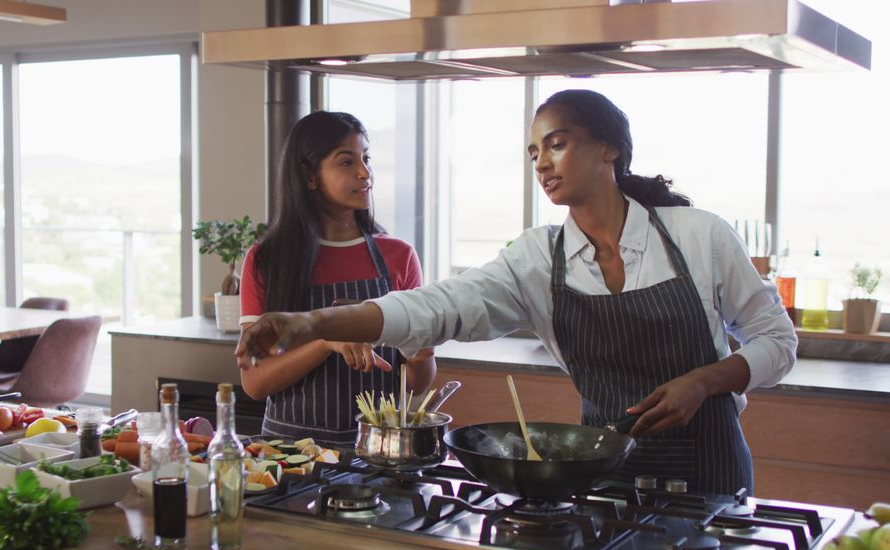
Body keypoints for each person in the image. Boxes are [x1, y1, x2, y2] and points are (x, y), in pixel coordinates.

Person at [236, 90, 797, 495]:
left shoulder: (697, 234)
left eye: (556, 144)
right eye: (534, 153)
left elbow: (777, 340)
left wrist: (706, 381)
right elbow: (437, 306)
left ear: (609, 149)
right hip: (602, 474)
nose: (543, 163)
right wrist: (313, 324)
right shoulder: (537, 257)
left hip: (711, 474)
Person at [238, 110, 436, 447]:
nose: (365, 173)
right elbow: (254, 383)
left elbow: (418, 382)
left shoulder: (398, 256)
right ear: (309, 176)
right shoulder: (267, 260)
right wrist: (326, 339)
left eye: (366, 158)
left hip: (381, 452)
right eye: (347, 162)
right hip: (291, 457)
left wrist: (422, 351)